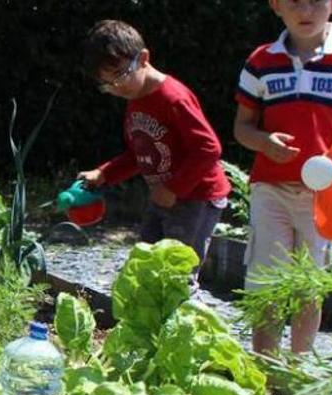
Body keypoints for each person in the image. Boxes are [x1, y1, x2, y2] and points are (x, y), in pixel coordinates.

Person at [234, 0, 332, 355]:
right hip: (271, 190)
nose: (306, 10)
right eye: (295, 1)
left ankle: (296, 371)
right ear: (276, 6)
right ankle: (264, 368)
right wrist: (264, 142)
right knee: (266, 284)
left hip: (326, 196)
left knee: (308, 288)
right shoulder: (260, 61)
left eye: (316, 1)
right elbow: (242, 127)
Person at [76, 20, 232, 278]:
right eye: (107, 84)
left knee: (176, 274)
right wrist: (103, 173)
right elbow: (140, 153)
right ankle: (151, 318)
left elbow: (208, 148)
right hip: (165, 196)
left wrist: (174, 189)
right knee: (146, 265)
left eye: (121, 76)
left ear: (144, 58)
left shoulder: (172, 98)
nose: (117, 88)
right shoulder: (136, 99)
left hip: (196, 197)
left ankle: (185, 315)